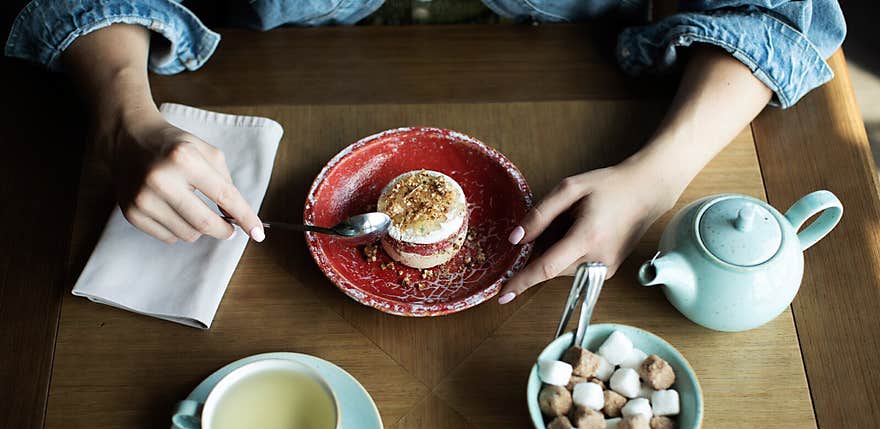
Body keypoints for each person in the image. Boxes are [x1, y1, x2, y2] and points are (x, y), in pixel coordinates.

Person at [5, 1, 845, 304]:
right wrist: (124, 119)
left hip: (575, 86)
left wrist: (657, 175)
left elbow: (777, 11)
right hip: (272, 74)